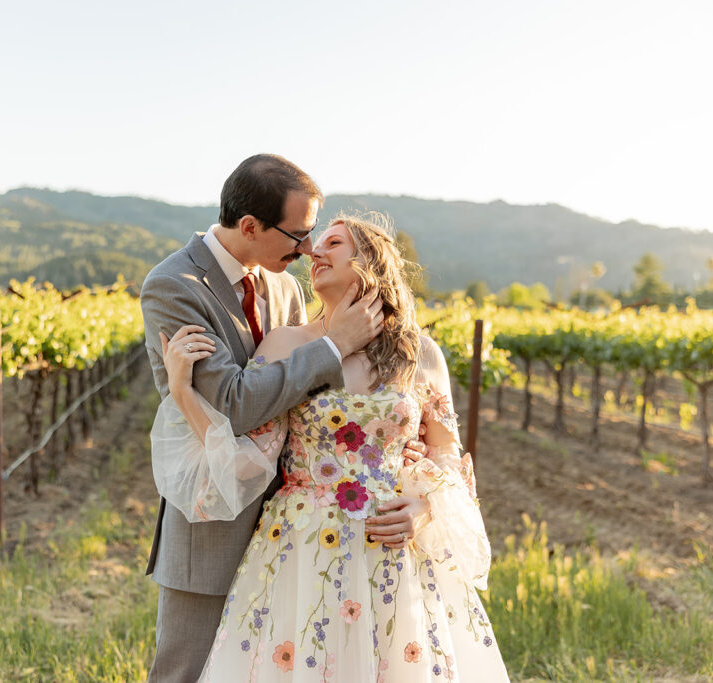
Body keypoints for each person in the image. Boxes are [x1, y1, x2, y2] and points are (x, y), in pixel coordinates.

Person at [153, 212, 509, 681]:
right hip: (301, 546)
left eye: (333, 242)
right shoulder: (286, 343)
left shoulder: (420, 354)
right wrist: (183, 393)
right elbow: (246, 464)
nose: (314, 252)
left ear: (371, 262)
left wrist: (423, 507)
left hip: (391, 551)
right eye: (314, 243)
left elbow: (446, 453)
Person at [140, 155, 424, 683]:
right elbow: (234, 403)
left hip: (292, 531)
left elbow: (304, 395)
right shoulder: (173, 285)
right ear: (250, 226)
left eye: (316, 234)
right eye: (298, 234)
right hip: (217, 524)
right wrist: (337, 344)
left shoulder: (286, 288)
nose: (308, 248)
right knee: (186, 672)